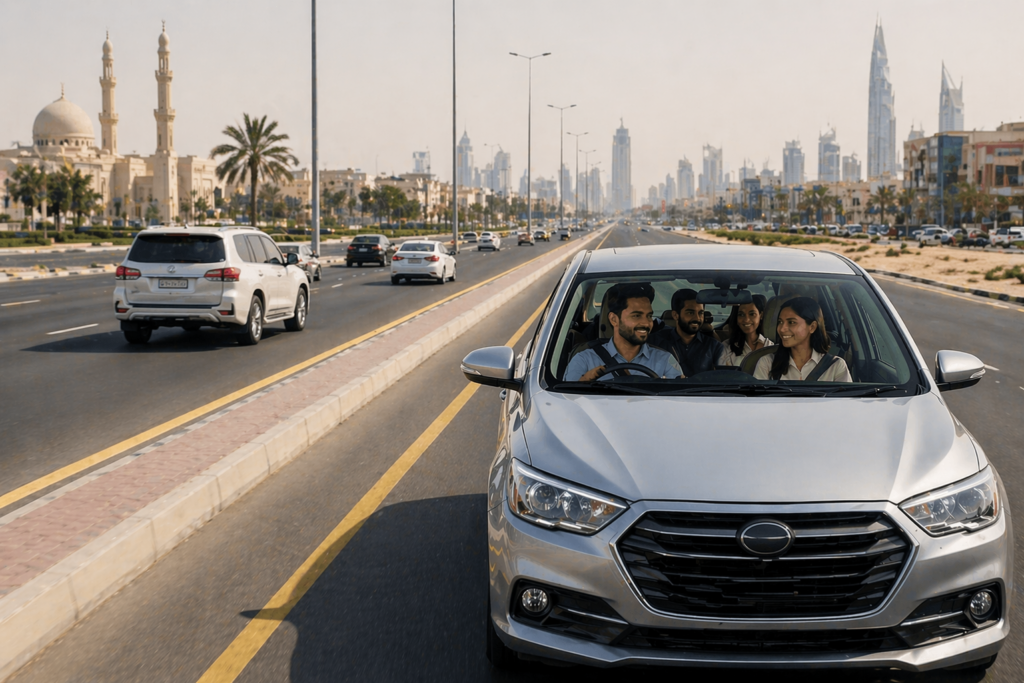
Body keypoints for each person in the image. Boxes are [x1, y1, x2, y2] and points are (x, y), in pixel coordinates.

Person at [565, 283, 682, 381]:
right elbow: (567, 401)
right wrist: (584, 382)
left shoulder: (665, 360)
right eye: (636, 316)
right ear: (614, 319)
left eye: (649, 316)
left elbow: (678, 403)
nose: (646, 323)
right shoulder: (584, 360)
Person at [753, 296, 851, 382]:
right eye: (780, 322)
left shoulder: (836, 366)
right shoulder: (767, 363)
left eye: (791, 322)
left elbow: (845, 403)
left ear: (812, 327)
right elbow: (758, 402)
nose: (782, 329)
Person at [649, 289, 725, 377]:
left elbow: (721, 378)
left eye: (701, 313)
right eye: (690, 313)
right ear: (675, 315)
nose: (697, 318)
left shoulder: (714, 347)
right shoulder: (655, 342)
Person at [719, 294, 773, 367]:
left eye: (752, 314)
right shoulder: (726, 348)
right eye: (741, 315)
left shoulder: (770, 347)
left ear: (761, 315)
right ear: (736, 318)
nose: (746, 320)